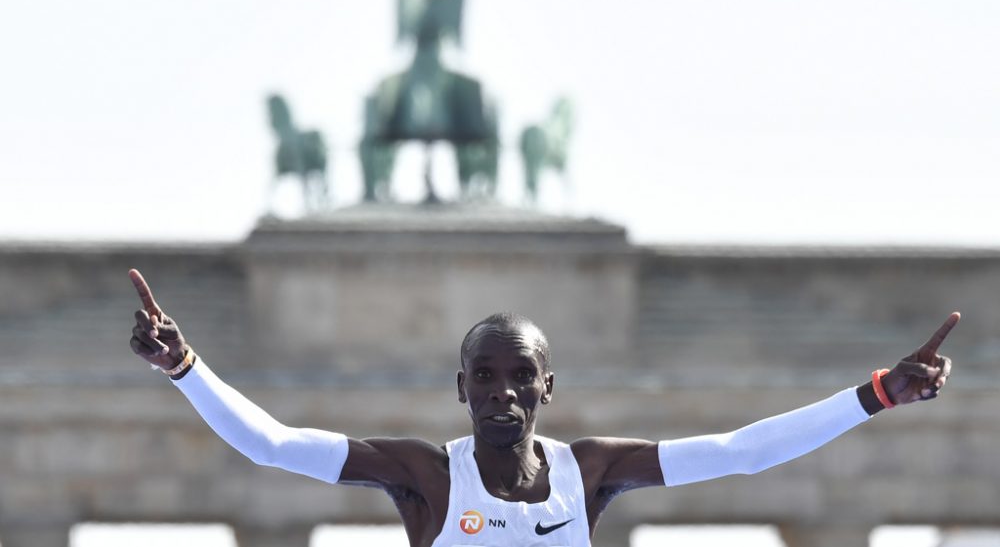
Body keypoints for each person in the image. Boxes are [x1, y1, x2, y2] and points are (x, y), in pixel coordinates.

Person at [127, 268, 956, 547]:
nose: (502, 392)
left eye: (520, 375)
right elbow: (272, 443)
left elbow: (740, 450)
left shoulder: (587, 470)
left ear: (547, 387)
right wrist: (185, 366)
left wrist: (878, 393)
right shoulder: (426, 477)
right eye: (483, 376)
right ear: (461, 387)